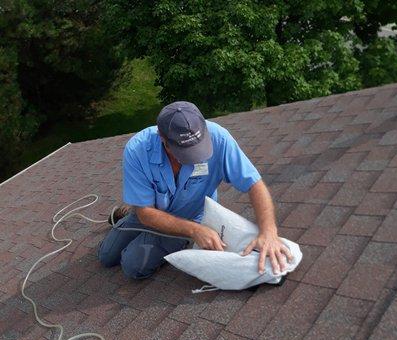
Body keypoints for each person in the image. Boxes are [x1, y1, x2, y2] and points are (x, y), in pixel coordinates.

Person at [97, 101, 292, 280]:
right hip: (149, 213)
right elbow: (146, 214)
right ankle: (126, 213)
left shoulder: (219, 139)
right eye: (185, 151)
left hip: (192, 216)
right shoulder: (137, 150)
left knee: (133, 266)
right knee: (106, 257)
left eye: (198, 148)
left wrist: (268, 232)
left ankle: (176, 240)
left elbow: (254, 184)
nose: (194, 157)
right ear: (163, 139)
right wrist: (194, 231)